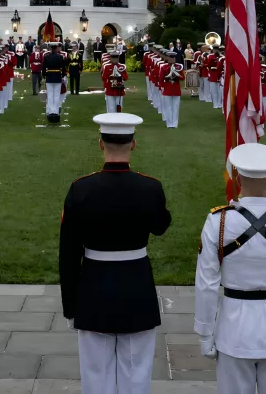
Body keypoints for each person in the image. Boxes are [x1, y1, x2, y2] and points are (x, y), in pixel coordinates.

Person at [59, 113, 171, 394]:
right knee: (136, 371)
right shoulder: (150, 187)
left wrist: (71, 304)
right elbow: (160, 226)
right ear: (134, 144)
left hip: (94, 286)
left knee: (96, 372)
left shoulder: (81, 189)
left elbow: (69, 252)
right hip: (136, 285)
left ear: (100, 144)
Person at [194, 143, 266, 393]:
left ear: (237, 178)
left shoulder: (218, 221)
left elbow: (207, 282)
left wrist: (205, 332)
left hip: (234, 332)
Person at [43, 42, 67, 119]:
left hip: (49, 77)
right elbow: (63, 68)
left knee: (50, 95)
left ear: (50, 48)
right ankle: (56, 111)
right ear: (56, 48)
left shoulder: (46, 57)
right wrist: (62, 76)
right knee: (57, 95)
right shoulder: (60, 57)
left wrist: (44, 76)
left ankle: (50, 111)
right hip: (57, 77)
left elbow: (43, 68)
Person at [103, 49, 128, 113]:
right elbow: (104, 78)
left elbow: (126, 77)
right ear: (110, 58)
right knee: (111, 108)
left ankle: (118, 121)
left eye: (116, 58)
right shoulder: (107, 67)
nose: (115, 60)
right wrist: (111, 77)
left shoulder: (122, 67)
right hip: (110, 90)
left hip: (119, 90)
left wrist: (120, 76)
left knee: (118, 107)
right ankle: (111, 121)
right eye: (113, 58)